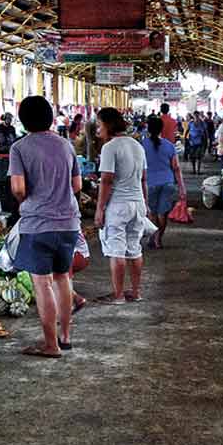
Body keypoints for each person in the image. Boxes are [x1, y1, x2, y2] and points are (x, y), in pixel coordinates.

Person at [7, 96, 81, 358]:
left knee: (42, 283)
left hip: (38, 224)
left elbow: (18, 188)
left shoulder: (19, 148)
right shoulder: (65, 145)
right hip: (69, 223)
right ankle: (66, 336)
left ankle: (51, 345)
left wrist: (24, 200)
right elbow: (77, 187)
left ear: (24, 119)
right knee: (63, 278)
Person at [93, 107, 147, 304]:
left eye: (99, 126)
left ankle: (118, 295)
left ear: (108, 125)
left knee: (117, 250)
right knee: (134, 248)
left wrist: (99, 209)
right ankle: (136, 291)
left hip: (118, 205)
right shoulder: (137, 145)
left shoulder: (110, 147)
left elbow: (106, 180)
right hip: (137, 203)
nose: (97, 130)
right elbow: (143, 179)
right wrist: (145, 204)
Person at [142, 115, 187, 249]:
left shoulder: (141, 146)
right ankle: (158, 239)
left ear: (148, 129)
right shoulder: (169, 146)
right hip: (168, 183)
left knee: (152, 213)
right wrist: (181, 187)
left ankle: (153, 237)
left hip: (149, 183)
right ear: (161, 129)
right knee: (163, 213)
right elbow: (176, 168)